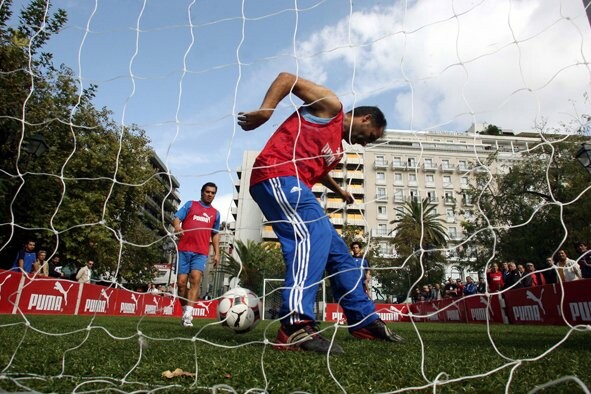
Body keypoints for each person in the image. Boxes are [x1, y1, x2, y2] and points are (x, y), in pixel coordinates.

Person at [238, 72, 401, 354]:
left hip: (294, 184)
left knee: (340, 254)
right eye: (369, 137)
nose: (364, 144)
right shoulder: (331, 107)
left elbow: (320, 171)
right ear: (366, 119)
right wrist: (266, 112)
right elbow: (287, 79)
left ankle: (363, 319)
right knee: (313, 234)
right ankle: (295, 326)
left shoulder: (336, 150)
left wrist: (340, 191)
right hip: (275, 175)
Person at [173, 182, 221, 328]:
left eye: (213, 193)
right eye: (207, 192)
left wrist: (217, 253)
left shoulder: (215, 213)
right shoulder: (190, 205)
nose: (210, 195)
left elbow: (215, 234)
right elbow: (176, 218)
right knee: (181, 284)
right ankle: (184, 310)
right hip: (184, 249)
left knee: (195, 280)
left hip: (200, 252)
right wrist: (177, 227)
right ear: (202, 192)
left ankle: (188, 316)